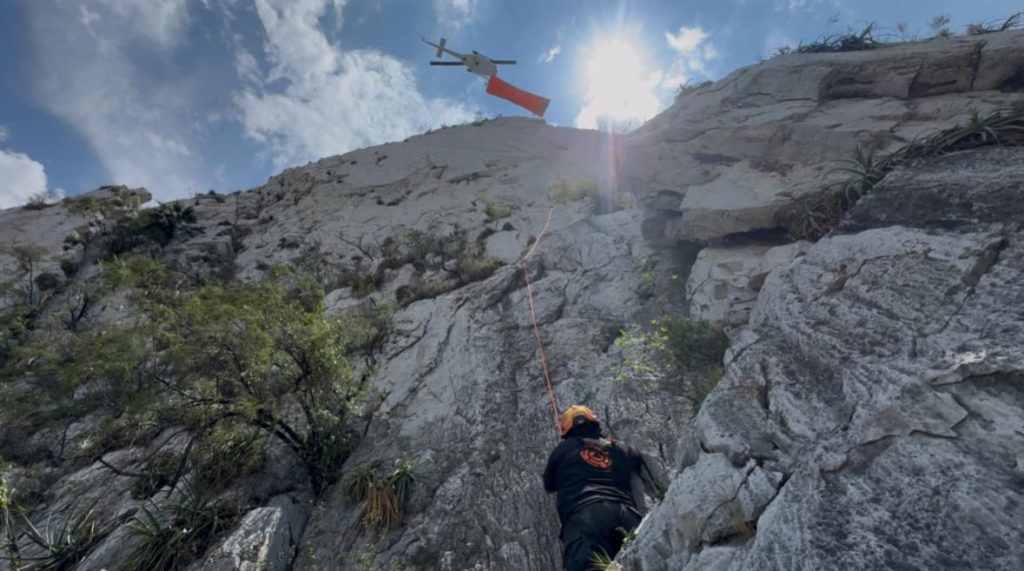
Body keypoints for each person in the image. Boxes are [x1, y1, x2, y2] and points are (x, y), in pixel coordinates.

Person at [543, 405, 667, 571]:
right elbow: (639, 458)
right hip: (626, 513)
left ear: (566, 430)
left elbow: (549, 484)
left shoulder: (563, 449)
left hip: (586, 516)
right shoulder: (621, 448)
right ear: (594, 423)